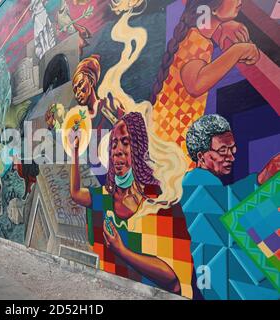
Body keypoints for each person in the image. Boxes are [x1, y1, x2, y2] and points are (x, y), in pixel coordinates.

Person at [70, 112, 200, 299]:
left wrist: (122, 251)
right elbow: (75, 194)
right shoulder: (106, 197)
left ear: (139, 148)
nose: (117, 150)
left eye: (125, 142)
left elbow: (173, 279)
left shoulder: (158, 203)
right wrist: (75, 151)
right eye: (113, 145)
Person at [150, 0, 260, 166]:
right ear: (213, 8)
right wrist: (239, 50)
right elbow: (196, 84)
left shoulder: (194, 35)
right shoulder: (195, 41)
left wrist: (222, 26)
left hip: (168, 143)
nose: (240, 1)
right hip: (171, 146)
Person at [182, 114, 279, 299]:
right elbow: (226, 207)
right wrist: (261, 179)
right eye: (223, 150)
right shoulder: (194, 183)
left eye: (232, 150)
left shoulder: (210, 185)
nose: (231, 157)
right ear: (201, 156)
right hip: (222, 282)